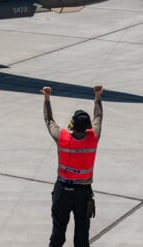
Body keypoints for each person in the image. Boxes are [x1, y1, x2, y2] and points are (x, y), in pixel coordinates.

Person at [41, 85, 103, 247]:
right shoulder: (93, 138)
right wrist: (97, 97)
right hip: (83, 194)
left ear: (72, 125)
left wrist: (47, 99)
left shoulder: (62, 138)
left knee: (58, 233)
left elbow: (49, 121)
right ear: (88, 127)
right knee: (82, 235)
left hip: (63, 191)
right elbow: (98, 117)